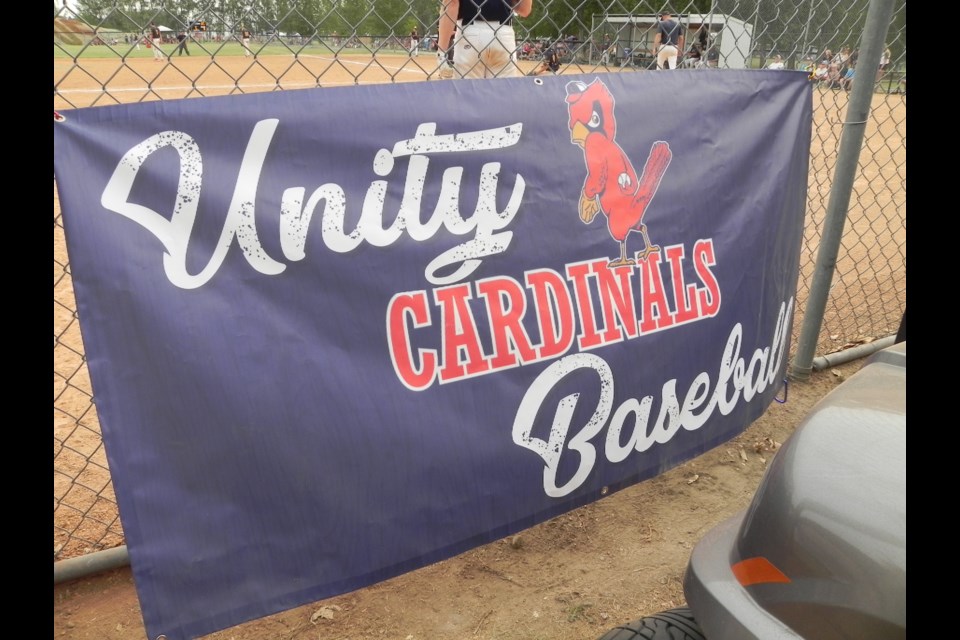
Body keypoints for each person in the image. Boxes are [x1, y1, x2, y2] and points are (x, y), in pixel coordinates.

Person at [437, 0, 534, 79]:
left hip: (471, 32)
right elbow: (525, 9)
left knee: (467, 95)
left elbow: (451, 3)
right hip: (503, 35)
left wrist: (441, 53)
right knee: (503, 95)